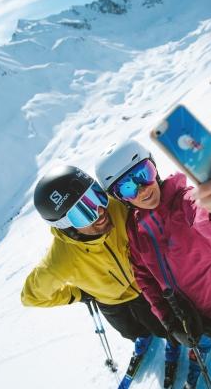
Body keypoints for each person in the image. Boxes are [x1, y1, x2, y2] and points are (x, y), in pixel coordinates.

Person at [95, 135, 211, 389]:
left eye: (143, 173)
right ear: (120, 198)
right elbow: (144, 278)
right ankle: (199, 352)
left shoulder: (183, 201)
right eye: (128, 187)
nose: (141, 189)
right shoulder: (135, 228)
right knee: (202, 339)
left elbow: (206, 214)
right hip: (191, 317)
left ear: (155, 168)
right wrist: (170, 320)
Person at [21, 165, 179, 387]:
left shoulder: (117, 207)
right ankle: (140, 337)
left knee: (161, 325)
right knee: (130, 330)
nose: (100, 211)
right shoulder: (60, 261)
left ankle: (171, 340)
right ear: (66, 226)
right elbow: (31, 296)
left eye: (96, 196)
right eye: (83, 212)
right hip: (111, 302)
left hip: (144, 287)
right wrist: (78, 293)